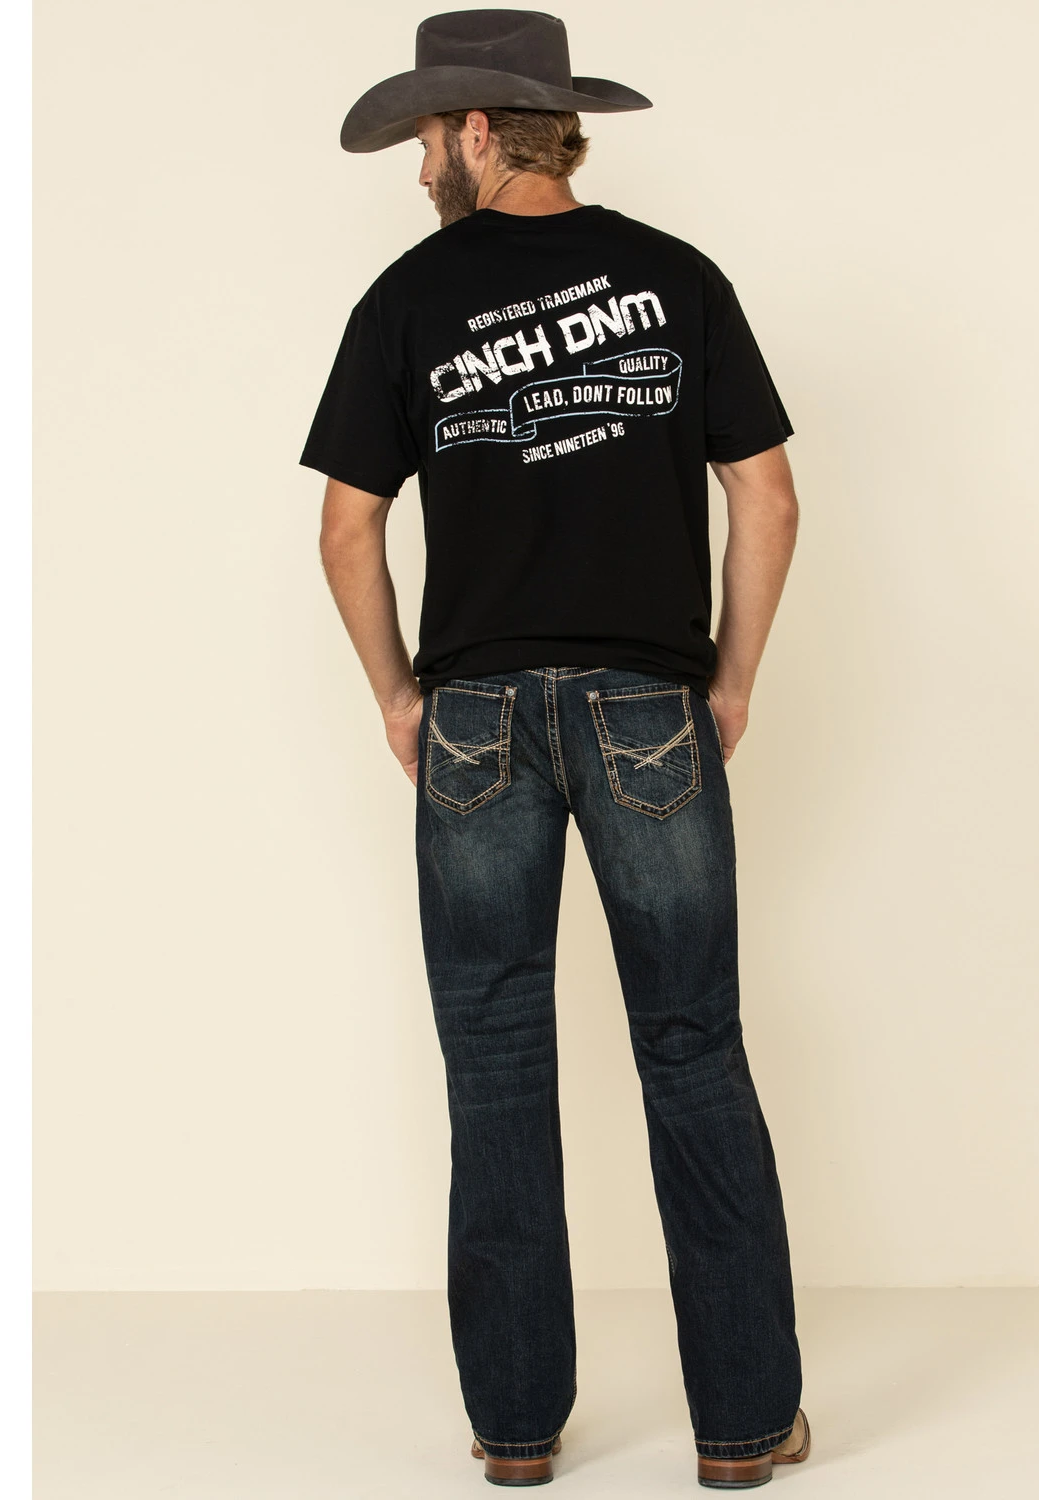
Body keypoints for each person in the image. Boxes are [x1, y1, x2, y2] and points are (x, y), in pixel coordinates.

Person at [299, 9, 811, 1488]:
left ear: (476, 131)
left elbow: (346, 530)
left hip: (474, 717)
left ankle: (518, 1431)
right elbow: (769, 496)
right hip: (651, 705)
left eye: (423, 141)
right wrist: (730, 680)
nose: (418, 173)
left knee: (495, 1060)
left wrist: (400, 698)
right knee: (694, 1049)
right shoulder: (679, 277)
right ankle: (743, 1428)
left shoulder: (407, 299)